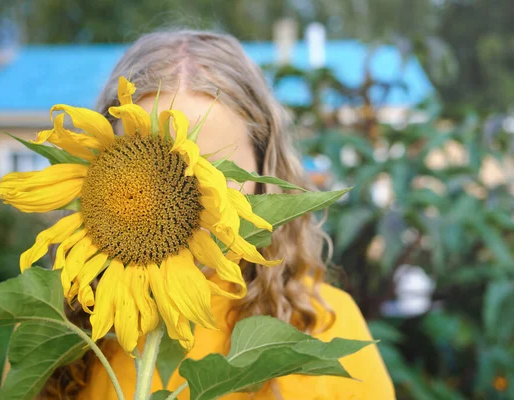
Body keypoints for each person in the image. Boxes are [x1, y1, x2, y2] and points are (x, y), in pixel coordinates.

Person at [36, 30, 394, 399]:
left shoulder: (325, 324)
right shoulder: (55, 331)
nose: (163, 201)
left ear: (262, 173)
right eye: (144, 169)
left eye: (212, 175)